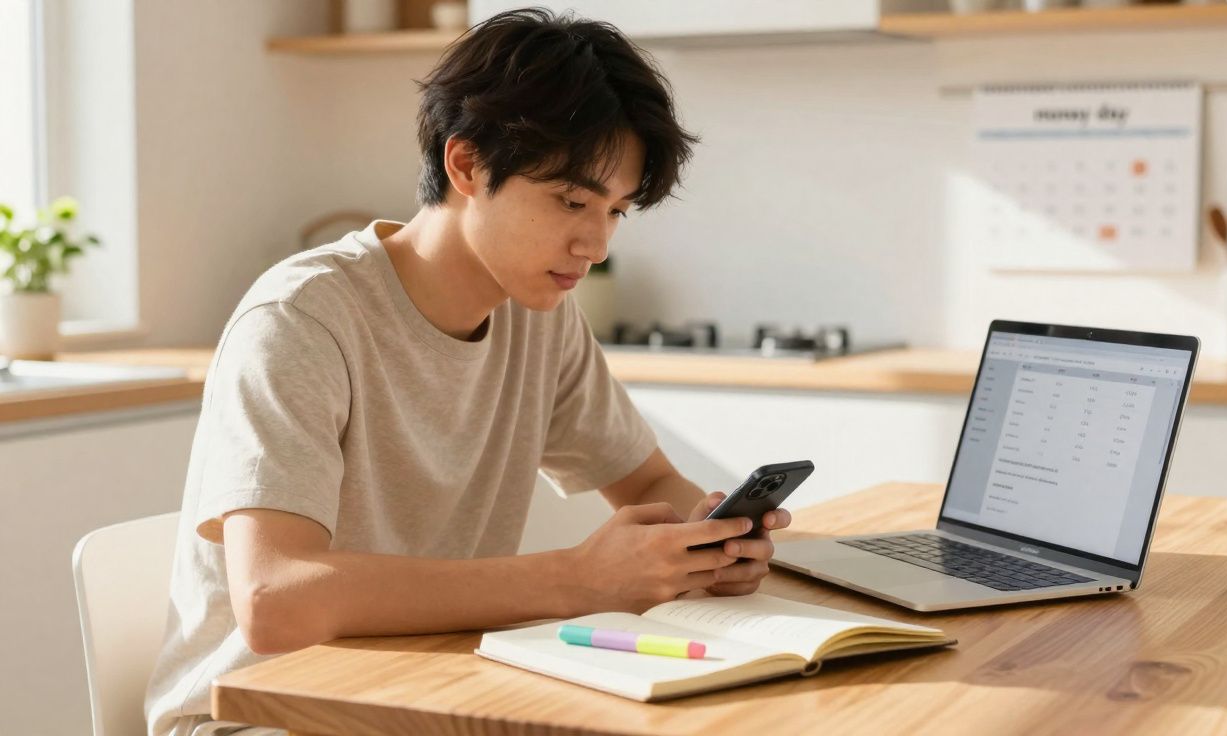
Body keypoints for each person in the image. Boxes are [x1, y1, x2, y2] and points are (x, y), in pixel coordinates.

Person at [144, 8, 792, 736]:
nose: (596, 244)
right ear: (466, 165)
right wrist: (575, 579)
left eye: (615, 212)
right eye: (572, 201)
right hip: (261, 715)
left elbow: (644, 485)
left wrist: (707, 542)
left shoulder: (539, 315)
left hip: (430, 695)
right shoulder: (303, 318)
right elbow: (275, 598)